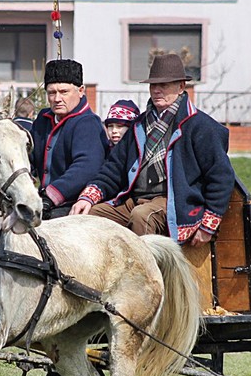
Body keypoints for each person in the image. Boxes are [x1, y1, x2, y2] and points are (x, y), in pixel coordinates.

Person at [70, 53, 235, 247]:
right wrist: (88, 197)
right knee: (89, 215)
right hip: (135, 199)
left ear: (181, 87)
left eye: (163, 85)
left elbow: (221, 177)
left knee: (142, 216)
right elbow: (113, 168)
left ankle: (146, 277)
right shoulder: (139, 124)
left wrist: (208, 226)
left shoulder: (200, 126)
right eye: (153, 85)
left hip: (176, 202)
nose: (156, 90)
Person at [31, 59, 109, 219]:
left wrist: (51, 195)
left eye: (64, 92)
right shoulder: (43, 119)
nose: (57, 98)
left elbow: (86, 168)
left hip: (73, 204)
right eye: (52, 93)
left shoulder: (88, 123)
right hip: (42, 201)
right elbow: (29, 154)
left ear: (81, 91)